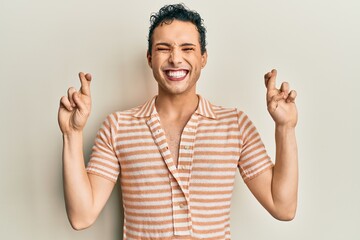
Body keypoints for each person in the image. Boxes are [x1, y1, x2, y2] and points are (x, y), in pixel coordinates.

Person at [58, 3, 298, 240]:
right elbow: (82, 216)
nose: (175, 58)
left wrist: (285, 127)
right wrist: (72, 133)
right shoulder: (117, 127)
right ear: (150, 58)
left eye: (187, 48)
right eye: (164, 48)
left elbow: (282, 207)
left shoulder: (235, 125)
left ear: (203, 58)